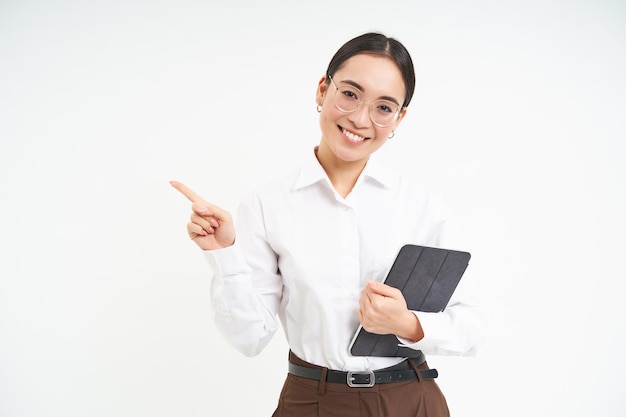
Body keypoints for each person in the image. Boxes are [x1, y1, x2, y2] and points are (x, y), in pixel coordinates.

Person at [171, 32, 486, 417]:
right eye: (350, 94)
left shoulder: (421, 206)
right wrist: (224, 255)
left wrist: (407, 323)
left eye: (384, 107)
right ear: (323, 90)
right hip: (311, 401)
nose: (359, 118)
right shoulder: (268, 204)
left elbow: (470, 327)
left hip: (410, 398)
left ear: (398, 119)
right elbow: (249, 338)